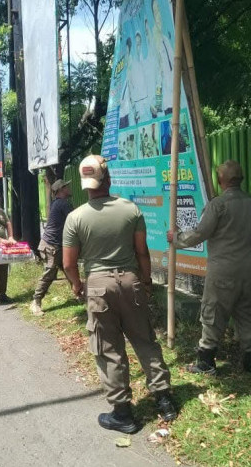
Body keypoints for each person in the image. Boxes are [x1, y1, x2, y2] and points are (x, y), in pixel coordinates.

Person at [63, 154, 176, 434]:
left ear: (85, 184)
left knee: (108, 348)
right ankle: (164, 399)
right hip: (130, 281)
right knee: (144, 339)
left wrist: (77, 285)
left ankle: (123, 413)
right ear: (108, 178)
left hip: (99, 286)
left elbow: (68, 263)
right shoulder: (130, 210)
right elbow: (142, 252)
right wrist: (146, 281)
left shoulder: (75, 218)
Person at [166, 160, 251, 374]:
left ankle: (206, 362)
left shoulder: (218, 205)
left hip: (223, 271)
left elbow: (200, 233)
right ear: (241, 179)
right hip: (249, 269)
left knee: (213, 314)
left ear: (220, 181)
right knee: (247, 315)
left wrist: (176, 238)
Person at [31, 179, 73, 317]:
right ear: (61, 189)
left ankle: (81, 294)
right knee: (50, 273)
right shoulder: (62, 204)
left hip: (56, 245)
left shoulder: (57, 203)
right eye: (66, 186)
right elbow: (77, 219)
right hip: (51, 246)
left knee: (70, 269)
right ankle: (36, 302)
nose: (69, 188)